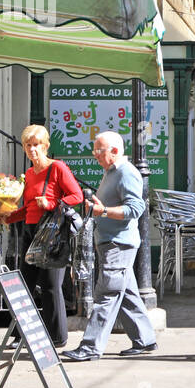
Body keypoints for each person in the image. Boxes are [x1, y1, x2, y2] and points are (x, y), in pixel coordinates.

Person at [61, 131, 157, 361]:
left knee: (107, 294)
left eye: (98, 151)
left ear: (114, 151)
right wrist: (98, 207)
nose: (95, 155)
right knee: (126, 294)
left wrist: (102, 211)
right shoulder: (112, 172)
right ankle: (145, 339)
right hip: (113, 242)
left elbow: (135, 209)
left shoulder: (126, 173)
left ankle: (90, 347)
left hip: (118, 244)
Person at [4, 125, 83, 348]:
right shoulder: (29, 174)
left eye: (36, 145)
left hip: (51, 232)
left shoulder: (57, 168)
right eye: (28, 145)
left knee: (50, 286)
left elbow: (76, 195)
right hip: (30, 232)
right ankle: (21, 335)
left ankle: (57, 337)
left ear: (45, 146)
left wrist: (51, 203)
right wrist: (5, 217)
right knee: (25, 286)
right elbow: (29, 207)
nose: (32, 150)